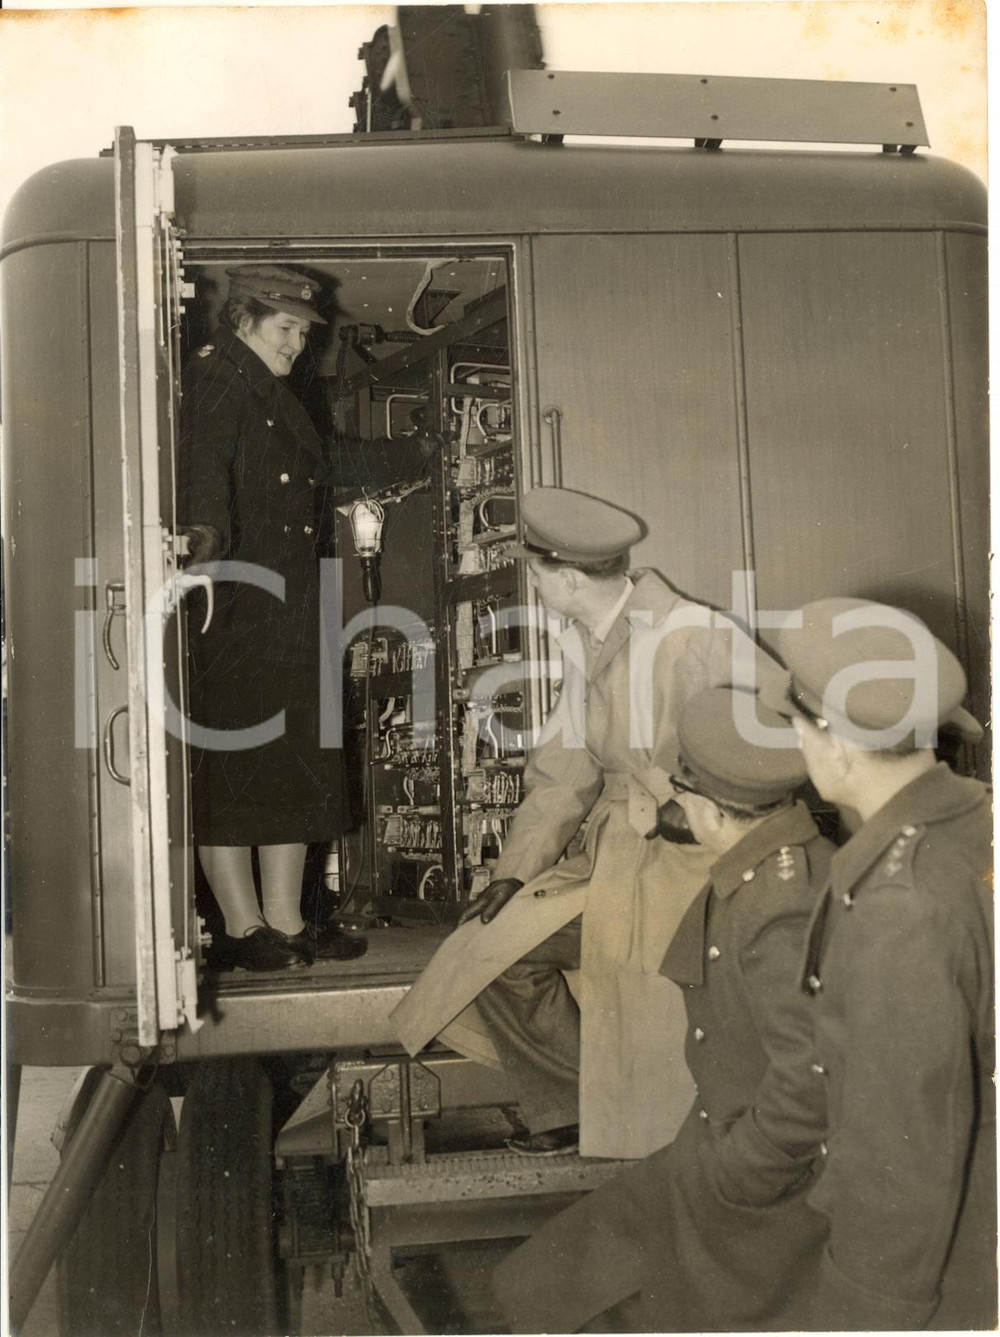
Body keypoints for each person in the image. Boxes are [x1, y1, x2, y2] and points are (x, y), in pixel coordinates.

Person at [392, 487, 784, 1159]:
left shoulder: (693, 634)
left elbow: (780, 738)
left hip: (691, 866)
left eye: (538, 572)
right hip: (618, 857)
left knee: (539, 965)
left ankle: (621, 1119)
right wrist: (513, 873)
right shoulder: (587, 642)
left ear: (570, 578)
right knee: (488, 948)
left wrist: (699, 808)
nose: (534, 583)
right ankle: (582, 1106)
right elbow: (563, 774)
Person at [493, 685, 834, 1333]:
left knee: (579, 1304)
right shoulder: (762, 869)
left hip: (765, 1191)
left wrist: (734, 1176)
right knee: (537, 1284)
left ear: (704, 805)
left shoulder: (779, 905)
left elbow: (809, 1088)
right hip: (714, 1150)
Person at [753, 597, 995, 1330]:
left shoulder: (899, 902)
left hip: (934, 1283)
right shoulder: (971, 823)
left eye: (799, 729)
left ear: (835, 742)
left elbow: (902, 1148)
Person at [179, 265, 425, 971]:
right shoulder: (220, 382)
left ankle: (283, 919)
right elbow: (205, 472)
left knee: (293, 764)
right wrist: (203, 538)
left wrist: (415, 452)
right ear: (244, 320)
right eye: (286, 328)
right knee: (235, 766)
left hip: (284, 604)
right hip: (234, 606)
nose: (298, 344)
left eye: (301, 332)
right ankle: (239, 922)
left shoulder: (275, 393)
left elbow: (329, 464)